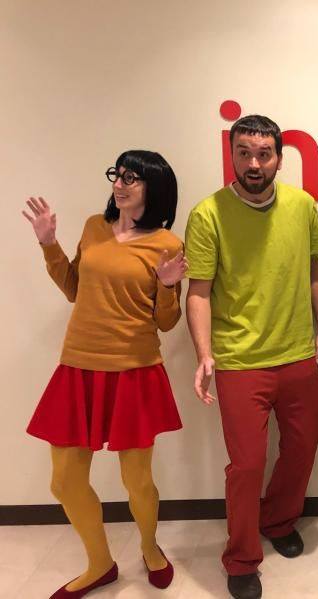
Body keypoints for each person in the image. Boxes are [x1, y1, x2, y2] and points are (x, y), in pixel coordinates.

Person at [24, 150, 185, 598]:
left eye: (132, 177)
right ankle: (100, 564)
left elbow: (167, 321)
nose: (120, 183)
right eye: (118, 174)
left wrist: (168, 286)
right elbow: (74, 289)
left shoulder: (167, 244)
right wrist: (48, 243)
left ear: (155, 188)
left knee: (137, 480)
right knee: (64, 481)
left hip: (134, 370)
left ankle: (149, 547)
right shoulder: (95, 227)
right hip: (78, 366)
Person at [185, 114, 318, 599]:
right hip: (239, 360)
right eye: (244, 153)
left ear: (279, 159)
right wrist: (205, 354)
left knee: (304, 445)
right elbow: (198, 291)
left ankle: (279, 519)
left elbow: (313, 270)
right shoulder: (207, 214)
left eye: (263, 154)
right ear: (231, 155)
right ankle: (242, 559)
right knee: (247, 466)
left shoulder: (302, 206)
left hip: (297, 353)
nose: (254, 163)